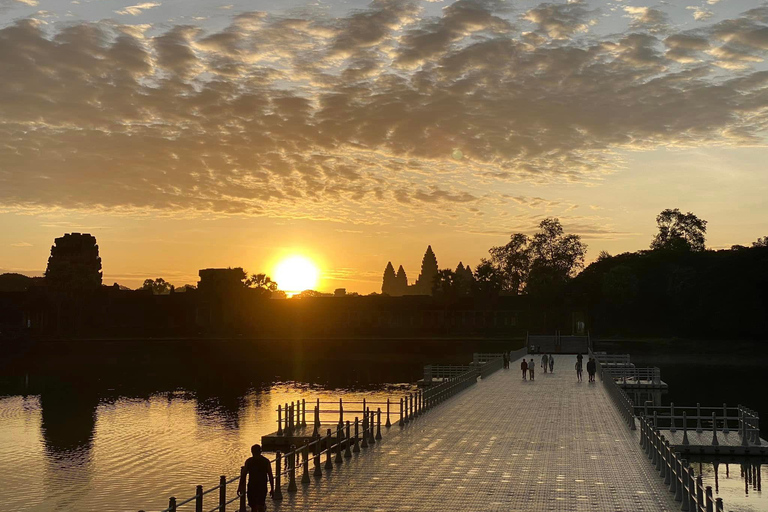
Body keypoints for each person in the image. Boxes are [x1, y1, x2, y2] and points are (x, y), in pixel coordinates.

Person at [239, 444, 274, 512]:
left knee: (255, 506)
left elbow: (243, 475)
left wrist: (240, 486)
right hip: (260, 486)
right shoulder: (265, 461)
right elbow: (270, 475)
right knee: (258, 506)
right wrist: (272, 488)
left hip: (253, 486)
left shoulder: (249, 461)